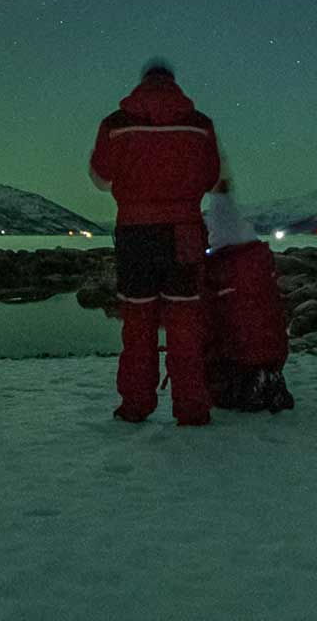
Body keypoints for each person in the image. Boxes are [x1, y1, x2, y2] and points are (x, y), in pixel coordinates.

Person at [89, 59, 221, 426]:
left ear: (142, 82)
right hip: (184, 234)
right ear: (174, 83)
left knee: (138, 323)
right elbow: (211, 178)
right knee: (185, 324)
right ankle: (192, 407)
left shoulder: (116, 124)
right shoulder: (199, 125)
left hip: (135, 236)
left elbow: (100, 175)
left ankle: (136, 404)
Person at [203, 180, 294, 412]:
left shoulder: (223, 270)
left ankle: (249, 384)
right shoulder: (258, 263)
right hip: (272, 354)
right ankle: (263, 379)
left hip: (241, 358)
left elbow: (214, 327)